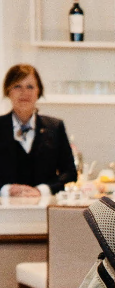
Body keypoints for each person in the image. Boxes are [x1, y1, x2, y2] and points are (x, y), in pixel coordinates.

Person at [0, 64, 77, 199]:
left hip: (45, 207)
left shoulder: (55, 127)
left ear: (38, 91)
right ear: (8, 91)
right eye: (17, 86)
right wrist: (6, 189)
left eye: (30, 87)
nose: (24, 92)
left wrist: (43, 190)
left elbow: (70, 173)